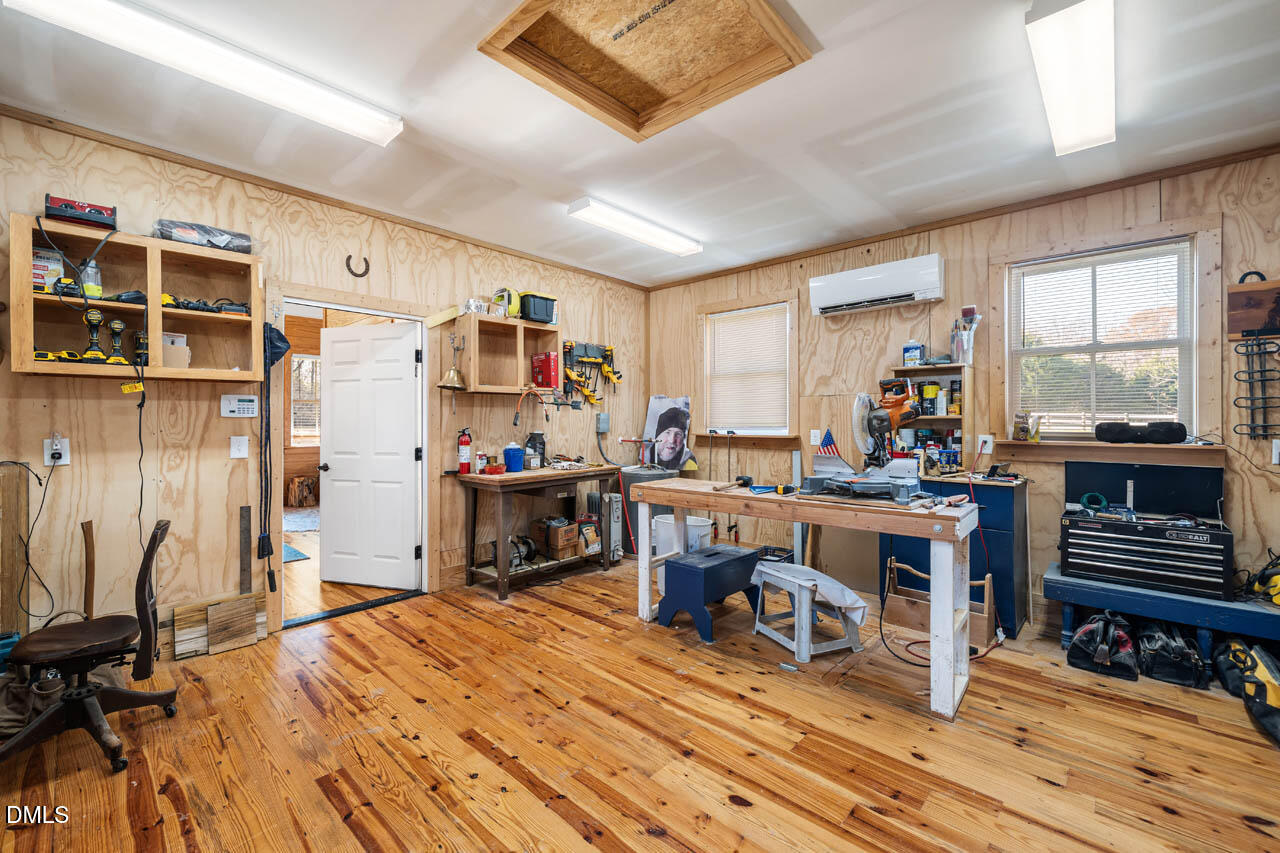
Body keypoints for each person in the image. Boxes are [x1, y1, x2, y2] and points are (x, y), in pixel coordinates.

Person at [650, 405, 697, 471]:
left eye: (678, 434)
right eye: (667, 432)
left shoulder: (689, 464)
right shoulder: (643, 459)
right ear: (657, 435)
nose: (672, 440)